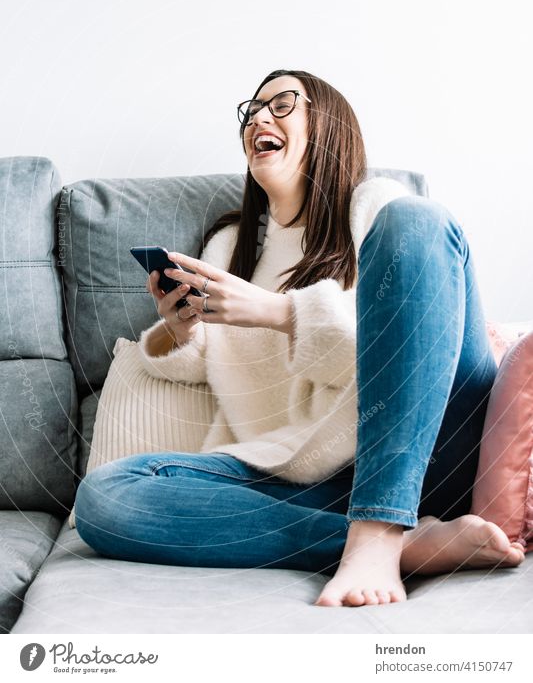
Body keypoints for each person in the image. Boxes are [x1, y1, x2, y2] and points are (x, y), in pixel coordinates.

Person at [74, 69, 525, 607]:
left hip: (422, 452)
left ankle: (381, 530)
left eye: (282, 103)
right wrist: (179, 330)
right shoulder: (229, 244)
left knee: (418, 220)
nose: (259, 118)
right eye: (252, 110)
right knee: (105, 497)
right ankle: (403, 546)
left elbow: (404, 357)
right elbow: (203, 366)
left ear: (328, 125)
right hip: (302, 483)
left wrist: (280, 312)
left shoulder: (374, 208)